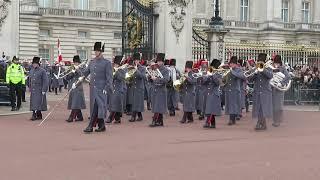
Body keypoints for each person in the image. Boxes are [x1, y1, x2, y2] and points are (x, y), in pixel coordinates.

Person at [82, 42, 113, 133]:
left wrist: (106, 88)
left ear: (101, 51)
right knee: (96, 107)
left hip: (101, 89)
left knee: (98, 107)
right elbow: (85, 72)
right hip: (93, 89)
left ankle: (90, 126)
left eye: (97, 50)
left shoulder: (106, 63)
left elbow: (109, 78)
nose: (95, 52)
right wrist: (79, 75)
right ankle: (101, 125)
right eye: (95, 50)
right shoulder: (92, 62)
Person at [248, 53, 273, 130]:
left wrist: (262, 70)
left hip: (265, 91)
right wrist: (255, 73)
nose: (259, 63)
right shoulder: (255, 68)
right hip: (257, 90)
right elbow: (249, 79)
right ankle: (262, 123)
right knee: (258, 108)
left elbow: (270, 76)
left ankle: (260, 123)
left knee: (263, 108)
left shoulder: (268, 67)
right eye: (259, 61)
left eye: (261, 61)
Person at [223, 56, 246, 126]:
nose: (231, 65)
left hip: (235, 90)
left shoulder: (239, 70)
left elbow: (242, 77)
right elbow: (224, 80)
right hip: (228, 90)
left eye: (232, 64)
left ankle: (232, 119)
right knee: (229, 105)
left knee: (234, 105)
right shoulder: (228, 71)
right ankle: (231, 119)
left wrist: (232, 71)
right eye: (230, 64)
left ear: (235, 64)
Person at [149, 53, 170, 127]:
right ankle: (160, 121)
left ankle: (154, 120)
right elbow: (151, 78)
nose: (159, 63)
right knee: (157, 105)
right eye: (158, 61)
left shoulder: (166, 70)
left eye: (160, 61)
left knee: (158, 106)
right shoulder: (154, 68)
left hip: (161, 90)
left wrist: (156, 79)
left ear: (163, 62)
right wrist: (151, 77)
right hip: (155, 89)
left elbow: (166, 80)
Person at [65, 55, 86, 122]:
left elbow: (83, 76)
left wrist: (77, 69)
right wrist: (72, 72)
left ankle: (71, 117)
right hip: (72, 87)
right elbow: (67, 77)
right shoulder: (71, 68)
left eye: (77, 62)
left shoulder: (82, 68)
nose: (75, 63)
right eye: (75, 62)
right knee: (75, 103)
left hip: (78, 87)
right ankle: (80, 117)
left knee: (75, 103)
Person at [202, 59, 222, 128]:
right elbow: (204, 82)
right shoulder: (208, 72)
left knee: (210, 108)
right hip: (208, 92)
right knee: (209, 108)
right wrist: (207, 76)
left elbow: (218, 83)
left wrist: (213, 75)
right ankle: (213, 123)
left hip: (214, 92)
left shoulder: (219, 73)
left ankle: (208, 122)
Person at [271, 55, 291, 127]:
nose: (276, 64)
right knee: (273, 106)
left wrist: (281, 83)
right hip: (272, 89)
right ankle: (275, 120)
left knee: (278, 107)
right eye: (275, 63)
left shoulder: (282, 68)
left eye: (277, 63)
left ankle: (278, 121)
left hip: (279, 90)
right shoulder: (272, 68)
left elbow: (288, 76)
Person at [107, 55, 126, 124]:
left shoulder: (122, 70)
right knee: (114, 103)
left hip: (119, 89)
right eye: (115, 64)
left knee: (115, 103)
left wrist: (117, 71)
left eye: (117, 64)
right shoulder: (112, 69)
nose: (115, 65)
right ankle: (117, 119)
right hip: (112, 89)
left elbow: (121, 78)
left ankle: (110, 117)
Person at [128, 53, 146, 122]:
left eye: (137, 60)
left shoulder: (142, 68)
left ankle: (133, 116)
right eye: (135, 60)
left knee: (136, 102)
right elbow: (130, 76)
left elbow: (143, 76)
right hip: (133, 87)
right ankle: (140, 116)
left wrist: (136, 70)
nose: (136, 61)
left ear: (139, 61)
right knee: (135, 102)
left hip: (139, 87)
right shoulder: (132, 67)